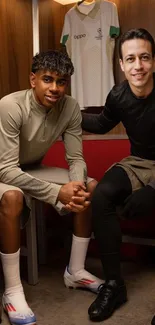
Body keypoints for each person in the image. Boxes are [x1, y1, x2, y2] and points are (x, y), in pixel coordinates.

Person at [0, 50, 102, 325]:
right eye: (48, 79)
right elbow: (6, 169)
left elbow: (76, 158)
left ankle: (76, 271)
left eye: (62, 81)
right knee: (11, 197)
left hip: (31, 166)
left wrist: (76, 186)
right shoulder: (10, 105)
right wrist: (58, 192)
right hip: (3, 169)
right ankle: (12, 291)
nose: (55, 88)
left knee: (89, 185)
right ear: (33, 79)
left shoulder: (69, 107)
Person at [82, 28, 155, 323]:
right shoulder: (119, 94)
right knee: (101, 196)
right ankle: (114, 284)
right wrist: (65, 112)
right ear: (122, 65)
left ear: (153, 61)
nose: (138, 66)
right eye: (131, 59)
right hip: (139, 162)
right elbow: (101, 124)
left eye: (145, 57)